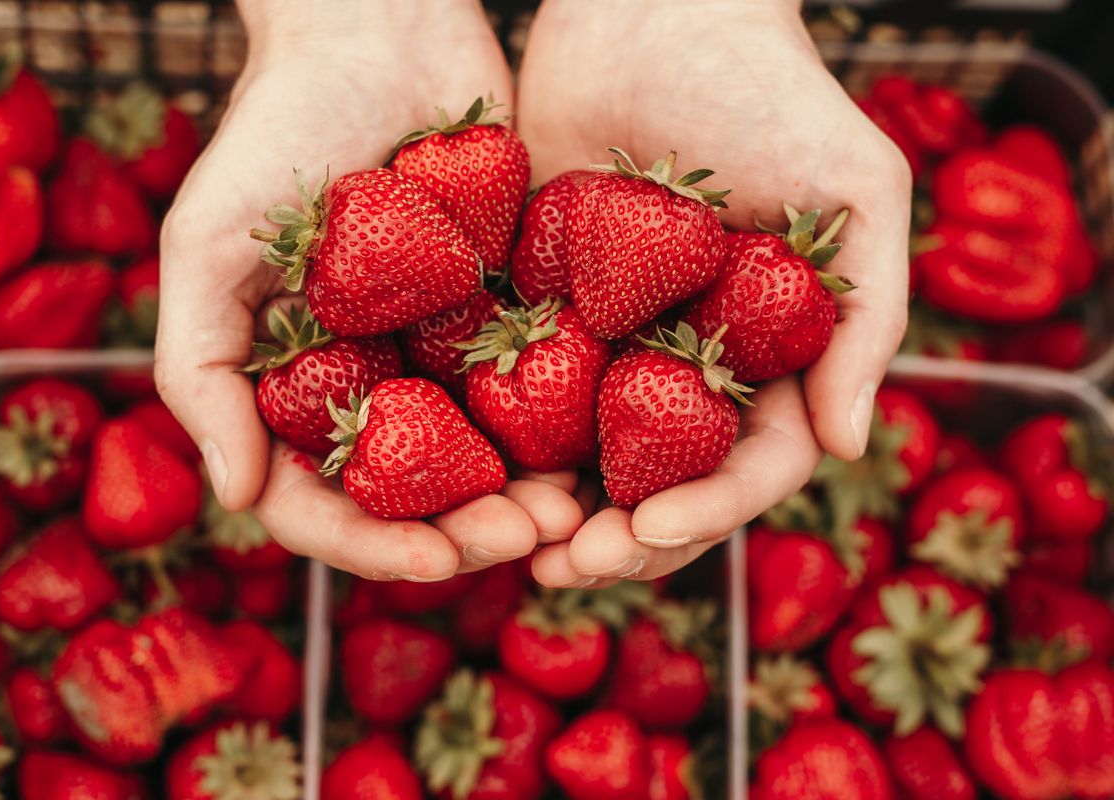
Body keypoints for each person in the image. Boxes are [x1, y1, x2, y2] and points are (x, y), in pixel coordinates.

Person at [154, 0, 911, 587]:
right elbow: (510, 286)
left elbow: (570, 300)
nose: (472, 272)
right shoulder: (473, 274)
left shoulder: (569, 274)